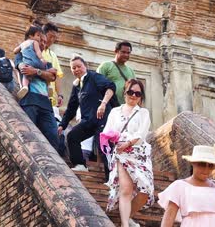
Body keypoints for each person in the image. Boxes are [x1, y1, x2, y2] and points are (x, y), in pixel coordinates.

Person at [104, 79, 154, 227]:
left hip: (139, 153)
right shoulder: (114, 112)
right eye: (131, 92)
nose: (133, 96)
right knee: (126, 189)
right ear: (125, 92)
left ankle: (129, 216)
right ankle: (125, 224)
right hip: (121, 153)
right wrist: (113, 140)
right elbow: (107, 130)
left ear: (141, 96)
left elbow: (142, 133)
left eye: (137, 93)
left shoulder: (143, 112)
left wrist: (129, 143)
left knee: (146, 190)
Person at [159, 145, 215, 227]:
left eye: (210, 165)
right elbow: (169, 216)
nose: (206, 169)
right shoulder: (180, 186)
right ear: (193, 163)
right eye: (202, 164)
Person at [58, 55, 116, 173]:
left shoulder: (94, 77)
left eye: (79, 66)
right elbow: (71, 108)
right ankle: (80, 164)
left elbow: (110, 87)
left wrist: (103, 104)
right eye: (73, 68)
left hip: (102, 118)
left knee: (103, 147)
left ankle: (111, 179)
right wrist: (62, 125)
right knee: (72, 136)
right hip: (88, 121)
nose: (76, 69)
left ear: (85, 66)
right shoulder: (77, 85)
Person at [17, 53, 60, 153]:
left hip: (46, 104)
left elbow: (52, 77)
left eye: (44, 42)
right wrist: (43, 73)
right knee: (28, 134)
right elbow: (23, 67)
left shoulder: (46, 62)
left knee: (53, 136)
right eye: (40, 40)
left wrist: (35, 71)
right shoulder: (22, 55)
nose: (43, 44)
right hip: (29, 100)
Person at [13, 25, 49, 99]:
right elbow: (38, 52)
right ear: (30, 35)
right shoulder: (34, 42)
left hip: (27, 63)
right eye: (38, 35)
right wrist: (42, 59)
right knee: (46, 69)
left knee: (26, 75)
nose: (39, 38)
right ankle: (49, 86)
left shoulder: (23, 44)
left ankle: (25, 86)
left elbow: (15, 51)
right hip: (36, 62)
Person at [97, 41, 136, 105]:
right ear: (116, 51)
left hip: (124, 108)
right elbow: (97, 86)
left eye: (128, 53)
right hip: (108, 105)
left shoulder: (131, 71)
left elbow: (135, 90)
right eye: (123, 52)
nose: (126, 55)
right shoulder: (106, 66)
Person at [42, 22, 64, 107]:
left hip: (51, 99)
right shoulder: (36, 50)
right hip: (38, 93)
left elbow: (58, 76)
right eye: (50, 36)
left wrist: (60, 95)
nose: (51, 40)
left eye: (54, 37)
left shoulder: (53, 55)